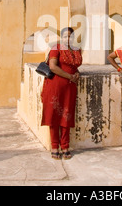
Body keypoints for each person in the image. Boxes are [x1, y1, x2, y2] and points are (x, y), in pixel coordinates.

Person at [41, 27, 82, 160]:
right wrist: (70, 77)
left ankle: (65, 146)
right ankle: (54, 146)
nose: (67, 39)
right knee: (54, 117)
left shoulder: (76, 50)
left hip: (69, 88)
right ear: (61, 37)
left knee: (66, 116)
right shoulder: (56, 48)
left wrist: (76, 74)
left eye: (70, 36)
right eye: (65, 36)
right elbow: (53, 66)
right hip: (55, 87)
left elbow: (75, 67)